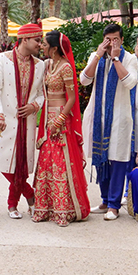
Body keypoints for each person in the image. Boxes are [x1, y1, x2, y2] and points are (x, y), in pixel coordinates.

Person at [32, 30, 90, 227]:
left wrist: (60, 120)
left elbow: (72, 98)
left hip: (60, 118)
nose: (42, 46)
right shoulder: (48, 65)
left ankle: (64, 209)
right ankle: (45, 208)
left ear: (55, 48)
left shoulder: (65, 67)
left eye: (45, 44)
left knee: (60, 162)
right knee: (47, 161)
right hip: (47, 115)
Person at [80, 23, 138, 221]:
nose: (111, 43)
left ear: (122, 40)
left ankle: (114, 204)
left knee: (118, 159)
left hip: (120, 118)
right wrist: (98, 55)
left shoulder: (129, 59)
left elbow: (130, 82)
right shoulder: (97, 56)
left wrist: (114, 58)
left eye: (115, 39)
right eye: (108, 40)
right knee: (100, 157)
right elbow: (84, 80)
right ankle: (105, 200)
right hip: (98, 118)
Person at [0, 22, 45, 219]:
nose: (40, 44)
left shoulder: (40, 65)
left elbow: (41, 94)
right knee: (4, 161)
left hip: (27, 121)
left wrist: (34, 106)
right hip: (6, 120)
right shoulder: (2, 60)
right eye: (37, 40)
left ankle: (12, 205)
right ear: (24, 40)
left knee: (21, 164)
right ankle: (30, 195)